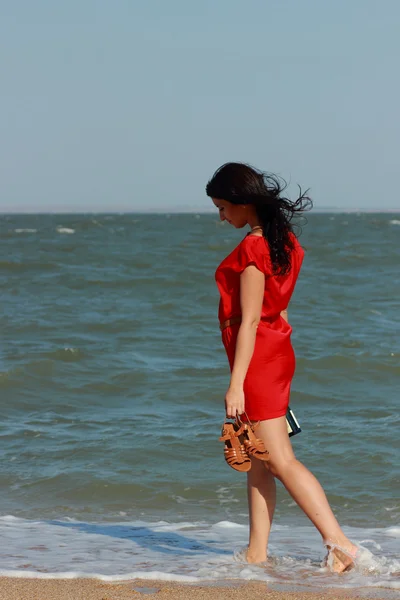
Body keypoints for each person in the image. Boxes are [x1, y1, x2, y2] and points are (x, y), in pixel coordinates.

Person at [206, 162, 358, 573]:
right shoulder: (285, 241)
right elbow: (282, 307)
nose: (222, 217)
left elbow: (251, 320)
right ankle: (257, 554)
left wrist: (236, 384)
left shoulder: (254, 248)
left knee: (278, 459)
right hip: (274, 352)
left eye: (223, 207)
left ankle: (340, 544)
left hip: (257, 359)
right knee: (258, 459)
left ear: (242, 203)